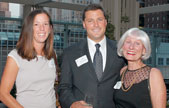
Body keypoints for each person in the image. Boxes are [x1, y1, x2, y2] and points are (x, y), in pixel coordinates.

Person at [58, 4, 125, 108]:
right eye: (90, 21)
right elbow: (64, 87)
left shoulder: (120, 51)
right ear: (84, 24)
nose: (96, 25)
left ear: (105, 22)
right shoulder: (70, 53)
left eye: (99, 19)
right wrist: (72, 104)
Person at [0, 9, 59, 108]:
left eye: (45, 24)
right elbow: (3, 94)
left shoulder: (52, 55)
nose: (42, 28)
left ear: (50, 28)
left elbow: (51, 87)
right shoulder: (15, 56)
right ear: (29, 28)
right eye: (36, 24)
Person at [114, 27, 167, 108]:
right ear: (122, 47)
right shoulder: (122, 71)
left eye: (137, 43)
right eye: (128, 42)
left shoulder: (153, 74)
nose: (131, 47)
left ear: (144, 50)